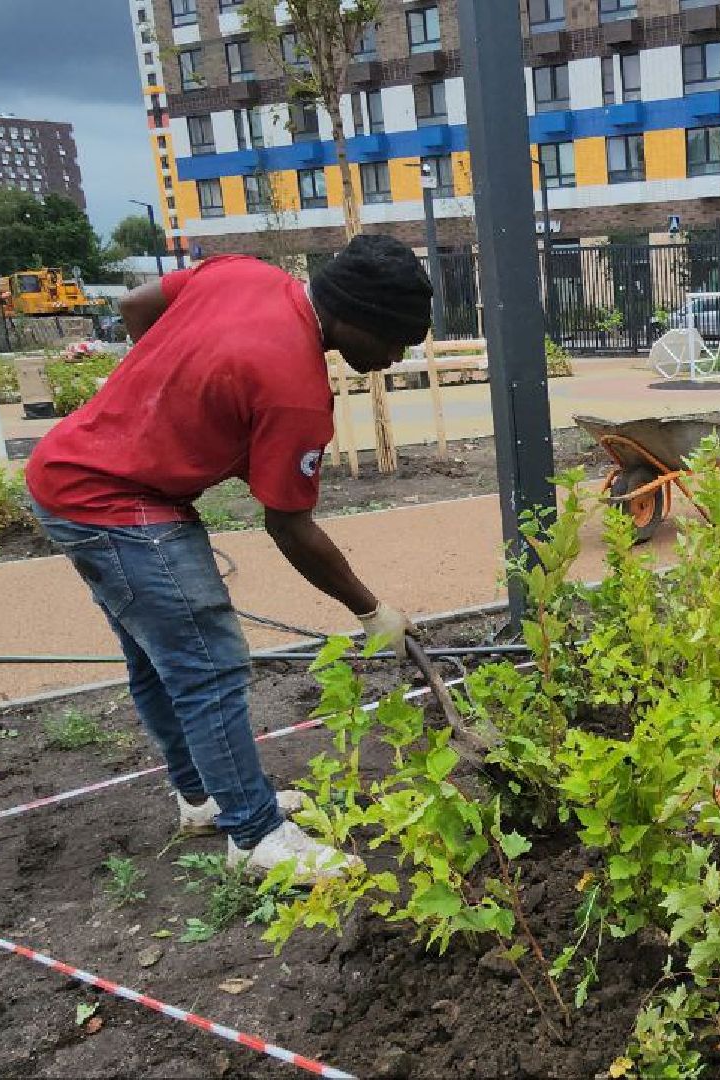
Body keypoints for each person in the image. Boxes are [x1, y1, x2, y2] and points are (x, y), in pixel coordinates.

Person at [26, 234, 435, 885]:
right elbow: (289, 527)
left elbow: (136, 306)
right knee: (207, 659)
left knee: (159, 663)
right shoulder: (295, 391)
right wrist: (370, 610)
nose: (394, 357)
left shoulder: (241, 275)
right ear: (353, 316)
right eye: (393, 340)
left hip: (70, 475)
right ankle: (255, 836)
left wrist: (173, 392)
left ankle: (204, 798)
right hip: (114, 500)